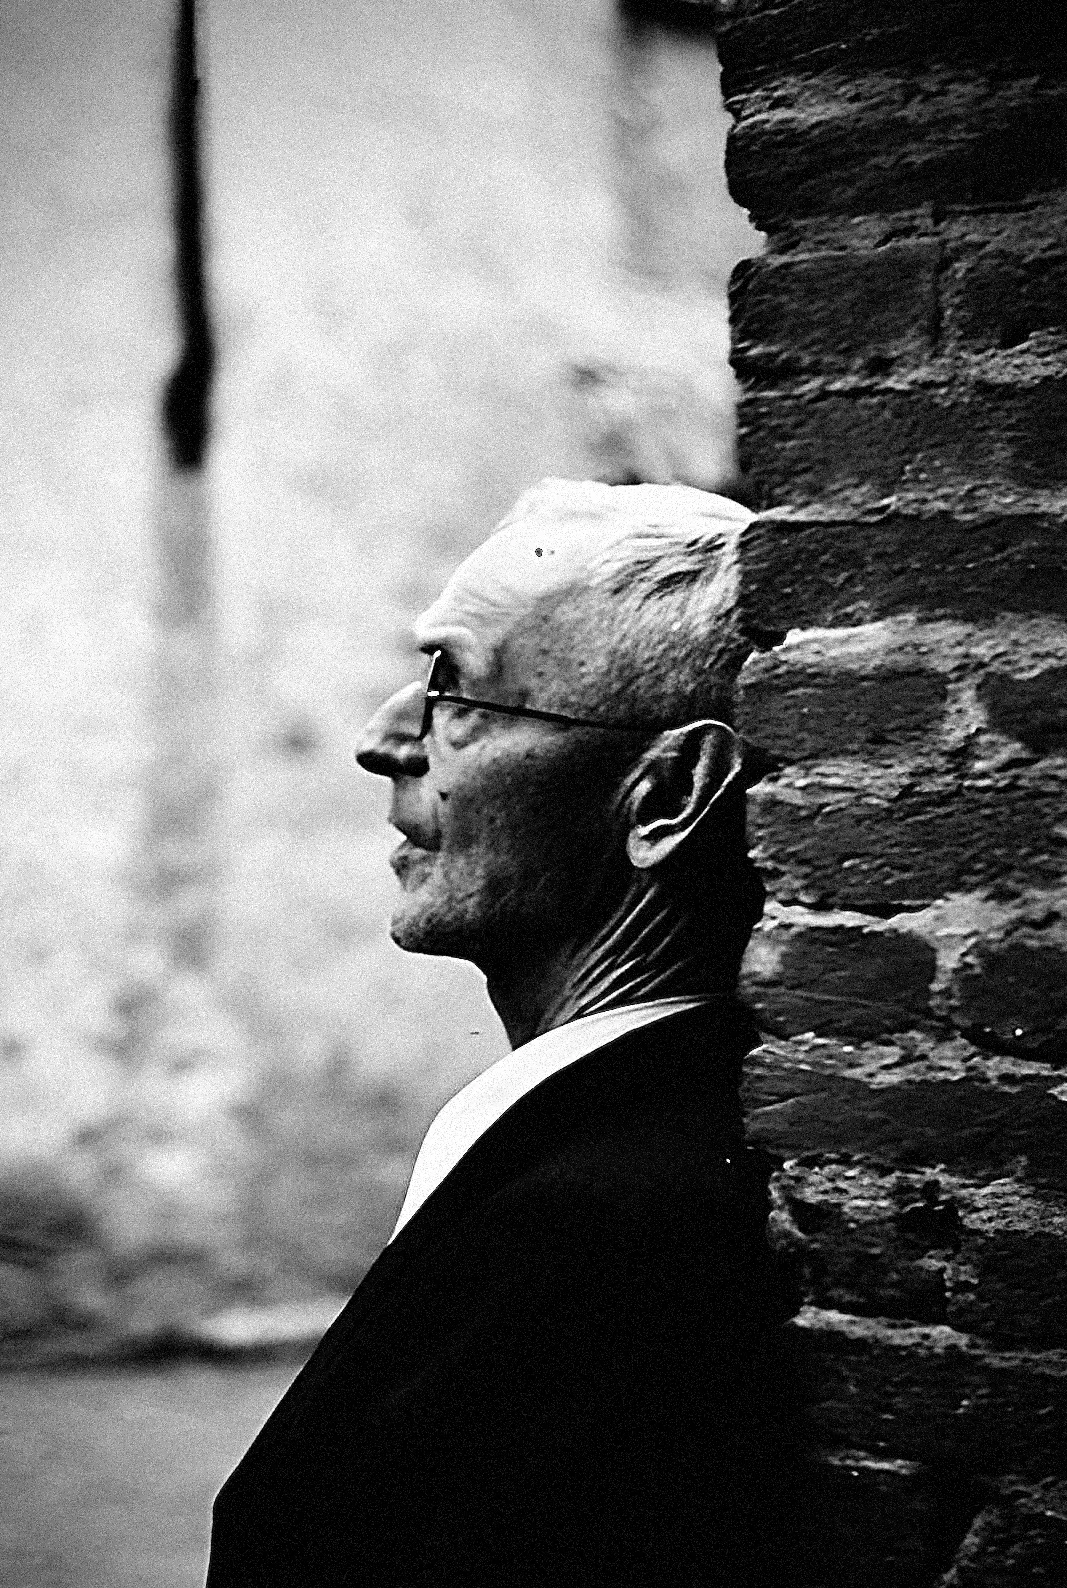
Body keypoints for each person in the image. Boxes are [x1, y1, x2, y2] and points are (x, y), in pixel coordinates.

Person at [206, 478, 802, 1587]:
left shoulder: (607, 1235)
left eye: (452, 687)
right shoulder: (624, 1147)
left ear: (667, 793)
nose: (382, 740)